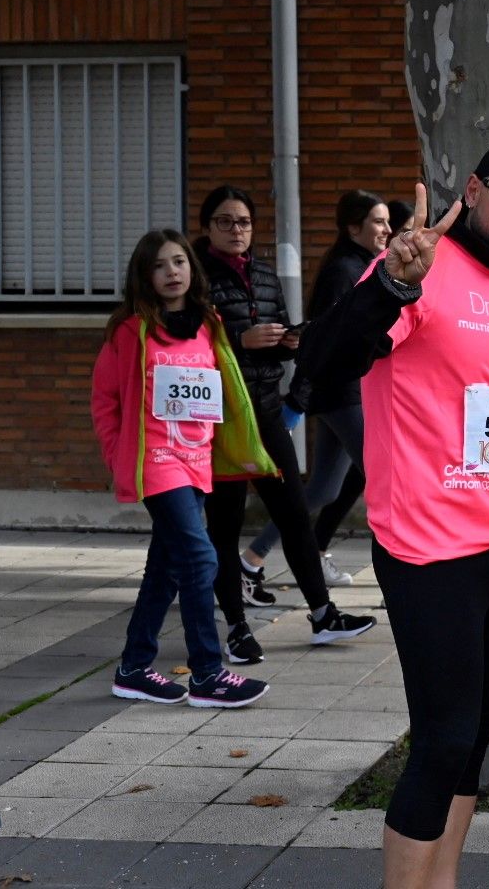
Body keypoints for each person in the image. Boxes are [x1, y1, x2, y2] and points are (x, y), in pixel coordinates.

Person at [296, 140, 489, 889]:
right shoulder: (419, 267)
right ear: (474, 192)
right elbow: (321, 363)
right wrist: (390, 284)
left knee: (471, 742)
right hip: (428, 552)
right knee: (442, 740)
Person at [194, 186, 377, 664]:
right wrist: (241, 339)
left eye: (244, 222)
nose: (237, 231)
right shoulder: (197, 279)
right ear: (208, 227)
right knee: (225, 522)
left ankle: (322, 613)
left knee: (295, 510)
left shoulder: (263, 275)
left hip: (267, 407)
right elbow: (191, 349)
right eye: (226, 222)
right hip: (222, 416)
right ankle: (234, 625)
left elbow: (274, 333)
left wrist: (288, 341)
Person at [91, 229, 271, 710]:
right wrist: (118, 455)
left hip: (197, 459)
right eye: (159, 265)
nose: (172, 272)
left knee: (166, 569)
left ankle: (132, 669)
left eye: (179, 262)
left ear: (192, 269)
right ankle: (208, 673)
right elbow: (104, 401)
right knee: (201, 558)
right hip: (156, 461)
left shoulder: (209, 324)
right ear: (144, 277)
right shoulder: (130, 332)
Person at [241, 190, 392, 593]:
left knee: (324, 488)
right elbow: (326, 335)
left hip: (342, 392)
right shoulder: (346, 270)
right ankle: (407, 570)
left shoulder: (360, 264)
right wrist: (302, 396)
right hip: (342, 392)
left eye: (387, 222)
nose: (387, 230)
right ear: (352, 227)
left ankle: (252, 559)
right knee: (384, 476)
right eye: (379, 222)